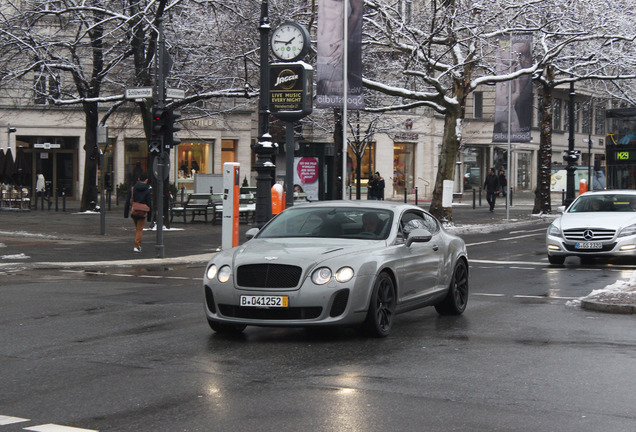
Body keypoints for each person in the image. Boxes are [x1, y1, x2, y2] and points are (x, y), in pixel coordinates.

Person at [124, 172, 152, 253]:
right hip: (143, 212)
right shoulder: (147, 190)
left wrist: (126, 214)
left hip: (134, 211)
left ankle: (138, 245)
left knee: (137, 228)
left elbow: (127, 201)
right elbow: (149, 203)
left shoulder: (133, 189)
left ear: (139, 179)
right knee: (139, 229)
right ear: (146, 180)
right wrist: (149, 216)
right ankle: (137, 245)